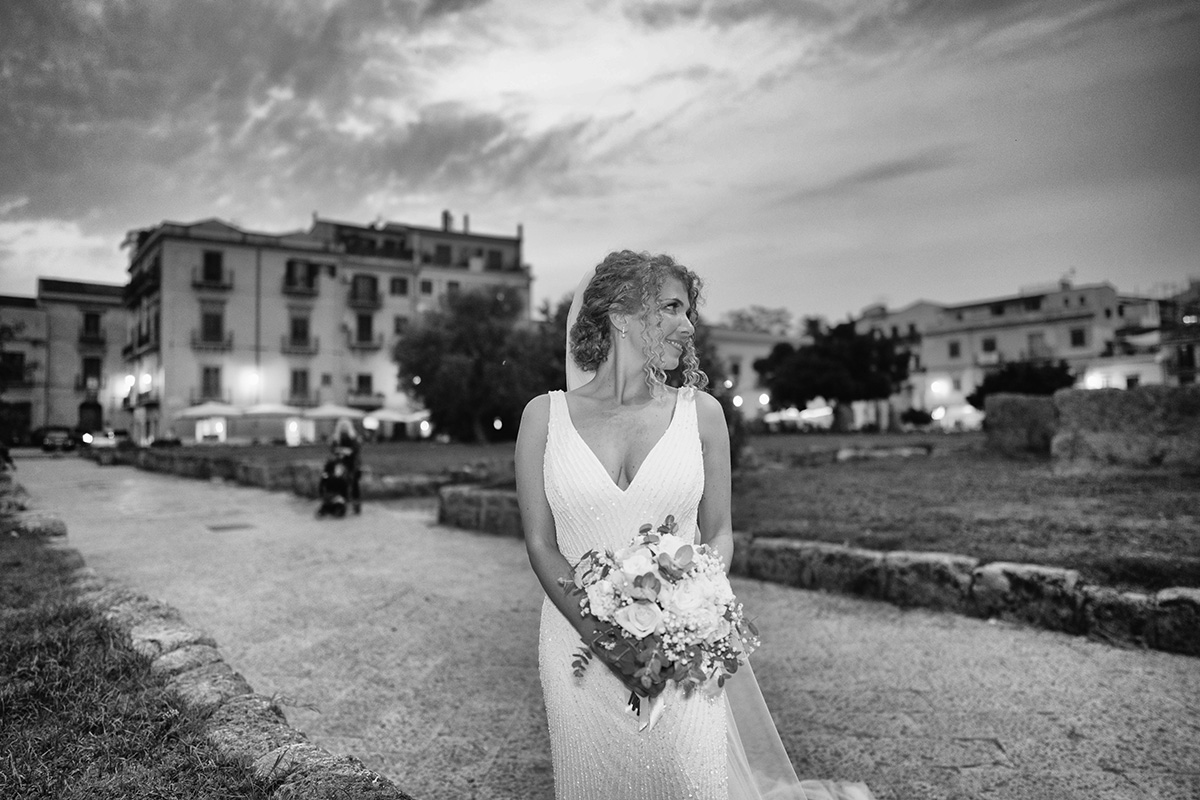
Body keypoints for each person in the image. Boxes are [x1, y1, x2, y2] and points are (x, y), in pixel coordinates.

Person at [515, 250, 875, 800]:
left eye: (689, 311)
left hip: (680, 651)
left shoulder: (701, 413)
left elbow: (720, 532)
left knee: (690, 782)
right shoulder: (543, 417)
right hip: (575, 651)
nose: (688, 326)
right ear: (620, 315)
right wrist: (607, 642)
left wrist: (686, 609)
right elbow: (541, 544)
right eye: (671, 307)